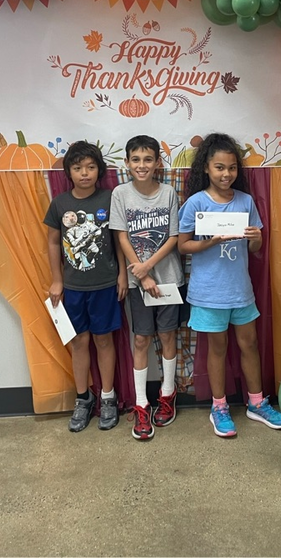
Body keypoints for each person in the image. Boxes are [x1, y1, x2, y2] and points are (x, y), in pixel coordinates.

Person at [178, 133, 281, 438]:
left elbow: (255, 248)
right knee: (217, 348)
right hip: (208, 292)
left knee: (249, 344)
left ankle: (257, 402)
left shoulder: (245, 201)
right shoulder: (196, 203)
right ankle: (219, 407)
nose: (226, 174)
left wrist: (257, 238)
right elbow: (183, 246)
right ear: (206, 168)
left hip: (240, 290)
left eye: (232, 168)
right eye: (219, 167)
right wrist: (210, 242)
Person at [44, 140, 127, 433]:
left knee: (104, 340)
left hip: (105, 285)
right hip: (73, 287)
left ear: (99, 170)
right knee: (79, 342)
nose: (84, 173)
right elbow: (53, 242)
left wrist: (123, 275)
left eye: (91, 167)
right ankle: (83, 398)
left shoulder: (109, 199)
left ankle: (108, 397)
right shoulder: (60, 203)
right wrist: (57, 279)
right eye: (78, 168)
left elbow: (119, 239)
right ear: (68, 171)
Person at [110, 135, 184, 441]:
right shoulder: (120, 193)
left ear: (157, 163)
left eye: (148, 159)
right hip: (138, 283)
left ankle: (167, 394)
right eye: (136, 160)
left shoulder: (168, 193)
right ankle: (141, 404)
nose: (142, 165)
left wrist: (148, 267)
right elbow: (121, 237)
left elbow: (173, 237)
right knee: (141, 339)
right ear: (127, 163)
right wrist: (140, 275)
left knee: (167, 336)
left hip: (168, 279)